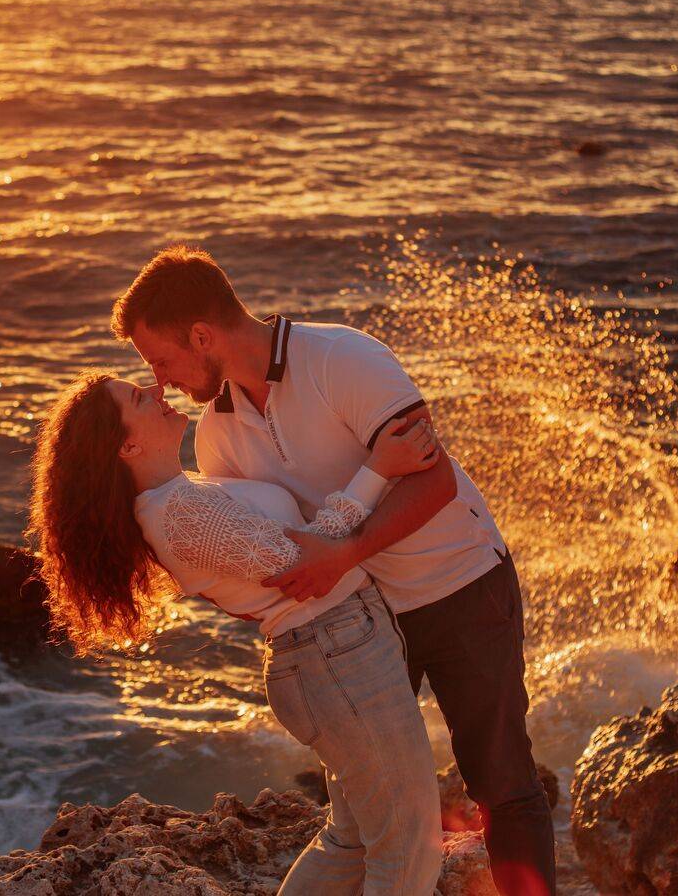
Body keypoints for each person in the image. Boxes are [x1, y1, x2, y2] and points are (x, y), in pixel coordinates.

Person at [112, 246, 556, 896]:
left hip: (457, 587)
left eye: (160, 360)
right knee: (359, 817)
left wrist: (345, 553)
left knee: (502, 785)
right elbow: (258, 554)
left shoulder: (342, 357)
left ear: (201, 336)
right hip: (358, 630)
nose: (160, 380)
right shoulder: (215, 437)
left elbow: (432, 481)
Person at [28, 370, 446, 895]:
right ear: (127, 445)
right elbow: (307, 565)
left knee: (355, 838)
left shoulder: (181, 495)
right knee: (407, 842)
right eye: (138, 397)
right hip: (334, 653)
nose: (157, 390)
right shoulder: (179, 513)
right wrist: (379, 469)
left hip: (331, 651)